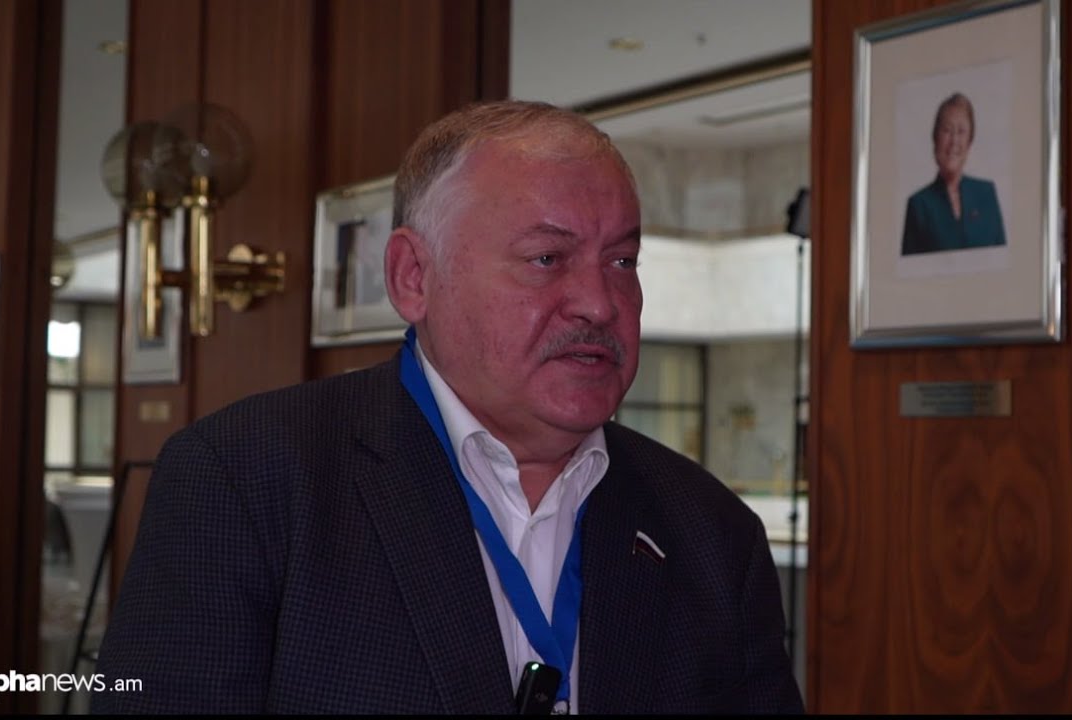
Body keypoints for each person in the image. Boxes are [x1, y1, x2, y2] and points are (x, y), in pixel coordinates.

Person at [94, 100, 804, 715]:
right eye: (547, 259)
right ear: (414, 277)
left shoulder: (712, 534)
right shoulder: (247, 481)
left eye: (622, 262)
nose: (599, 302)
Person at [901, 92, 1007, 255]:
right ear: (935, 138)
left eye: (961, 131)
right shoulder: (919, 205)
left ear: (970, 141)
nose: (954, 141)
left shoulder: (986, 194)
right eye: (947, 130)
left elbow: (1002, 259)